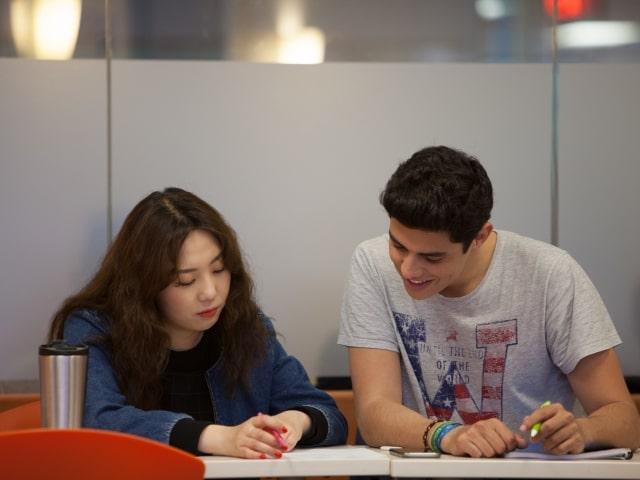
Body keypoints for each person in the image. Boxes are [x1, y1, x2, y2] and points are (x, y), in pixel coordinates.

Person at [338, 146, 640, 458]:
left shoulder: (551, 274)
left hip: (526, 471)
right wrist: (448, 435)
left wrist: (582, 430)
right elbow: (373, 414)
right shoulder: (372, 262)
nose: (408, 270)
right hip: (414, 470)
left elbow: (626, 421)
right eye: (398, 246)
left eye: (433, 257)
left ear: (480, 236)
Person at [49, 187, 347, 458]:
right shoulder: (94, 327)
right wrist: (218, 437)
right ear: (144, 284)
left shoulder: (244, 325)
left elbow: (330, 416)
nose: (210, 292)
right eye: (185, 280)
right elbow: (97, 420)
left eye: (219, 269)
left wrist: (295, 421)